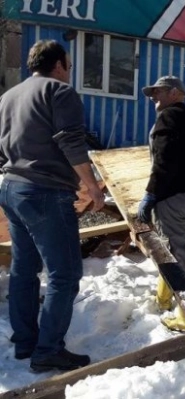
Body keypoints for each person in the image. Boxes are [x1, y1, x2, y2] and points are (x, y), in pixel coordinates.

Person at [0, 40, 105, 372]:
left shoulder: (8, 97)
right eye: (70, 67)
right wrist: (92, 187)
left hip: (11, 188)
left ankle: (25, 343)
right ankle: (47, 351)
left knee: (24, 269)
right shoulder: (60, 92)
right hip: (45, 191)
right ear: (59, 65)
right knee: (65, 274)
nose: (69, 73)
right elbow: (71, 141)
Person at [138, 76, 185, 332]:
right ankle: (164, 296)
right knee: (175, 249)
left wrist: (150, 193)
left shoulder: (168, 117)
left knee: (174, 256)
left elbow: (164, 160)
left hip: (174, 198)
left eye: (157, 92)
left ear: (175, 93)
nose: (153, 98)